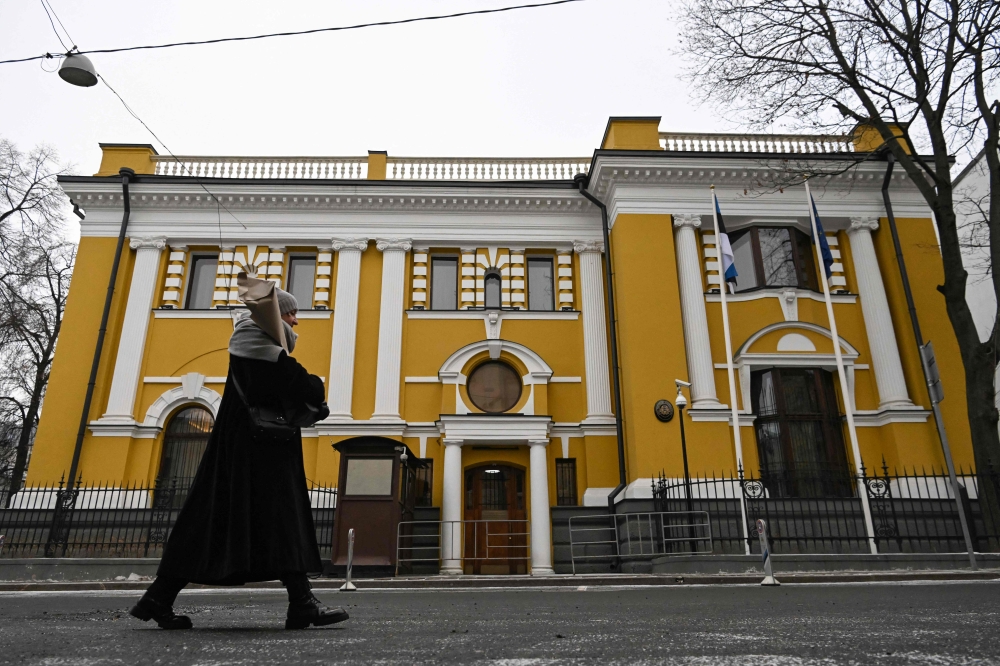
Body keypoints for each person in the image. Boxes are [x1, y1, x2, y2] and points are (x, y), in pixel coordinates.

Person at [131, 277, 347, 630]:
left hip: (249, 452)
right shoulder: (259, 348)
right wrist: (315, 391)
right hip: (258, 453)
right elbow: (302, 385)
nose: (296, 322)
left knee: (216, 523)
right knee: (278, 519)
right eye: (291, 314)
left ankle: (158, 598)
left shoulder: (258, 347)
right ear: (276, 316)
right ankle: (302, 604)